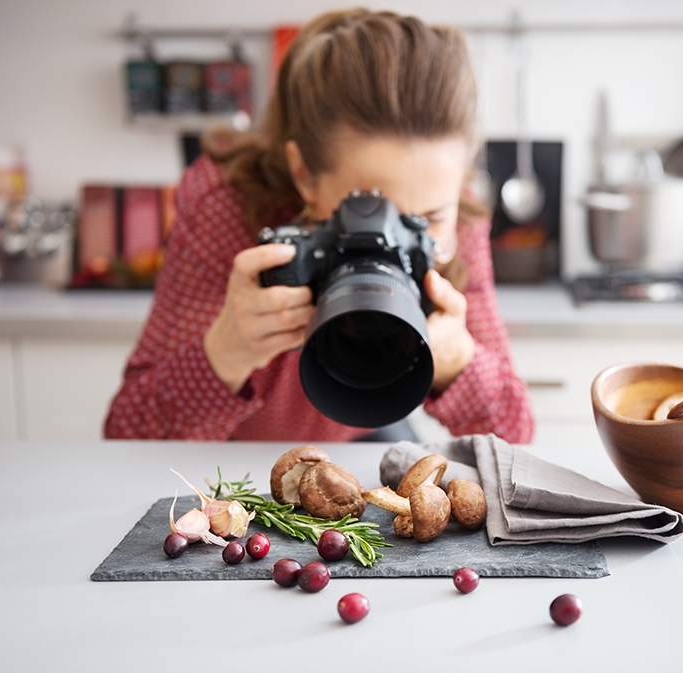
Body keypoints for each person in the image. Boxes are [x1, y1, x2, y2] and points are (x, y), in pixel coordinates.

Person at [104, 9, 533, 443]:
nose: (393, 237)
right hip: (231, 449)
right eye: (368, 210)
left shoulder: (458, 214)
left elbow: (515, 435)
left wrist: (460, 363)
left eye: (428, 219)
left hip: (362, 427)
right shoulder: (226, 204)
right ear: (303, 173)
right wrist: (223, 355)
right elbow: (128, 435)